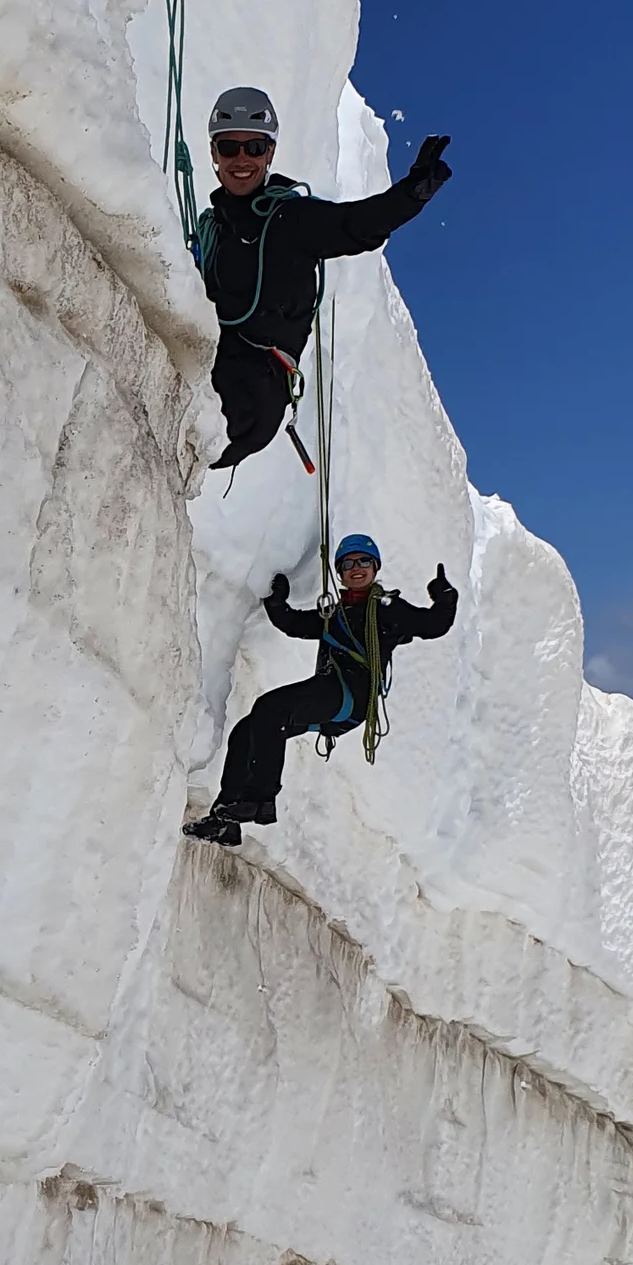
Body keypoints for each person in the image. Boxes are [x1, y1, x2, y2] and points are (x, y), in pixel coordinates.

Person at [192, 90, 453, 472]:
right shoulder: (212, 228)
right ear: (214, 154)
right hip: (214, 368)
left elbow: (355, 225)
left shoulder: (290, 219)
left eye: (255, 146)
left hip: (252, 392)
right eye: (230, 147)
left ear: (270, 153)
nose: (242, 159)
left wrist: (411, 194)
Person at [186, 534, 458, 844]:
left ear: (375, 567)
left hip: (351, 696)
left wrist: (445, 599)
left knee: (271, 709)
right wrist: (277, 602)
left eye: (364, 562)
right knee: (248, 730)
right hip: (330, 694)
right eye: (348, 563)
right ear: (340, 572)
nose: (356, 568)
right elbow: (295, 625)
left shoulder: (388, 608)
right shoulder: (334, 614)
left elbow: (433, 625)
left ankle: (260, 798)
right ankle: (225, 820)